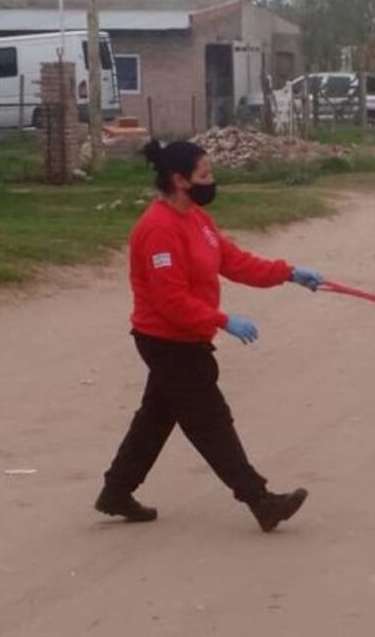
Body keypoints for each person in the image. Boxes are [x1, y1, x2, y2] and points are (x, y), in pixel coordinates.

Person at [95, 139, 325, 533]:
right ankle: (261, 500)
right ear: (179, 179)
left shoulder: (197, 219)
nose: (211, 180)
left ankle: (116, 491)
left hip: (188, 337)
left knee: (156, 417)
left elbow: (233, 261)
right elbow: (170, 300)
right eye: (204, 174)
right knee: (211, 421)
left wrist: (287, 273)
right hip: (167, 341)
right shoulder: (157, 230)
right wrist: (221, 320)